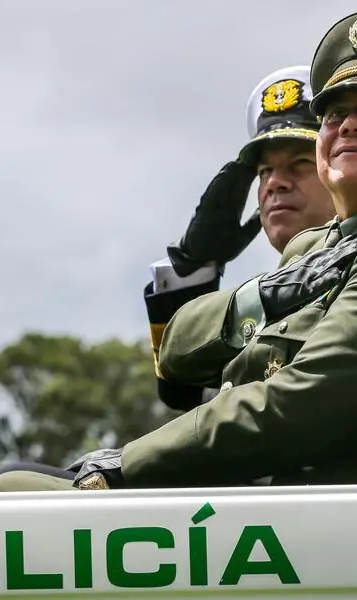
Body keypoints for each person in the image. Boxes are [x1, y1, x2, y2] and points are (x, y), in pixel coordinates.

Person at [0, 8, 357, 493]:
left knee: (5, 493)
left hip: (310, 521)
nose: (350, 125)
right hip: (264, 505)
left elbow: (295, 409)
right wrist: (238, 285)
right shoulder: (316, 249)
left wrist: (123, 466)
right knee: (8, 484)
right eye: (337, 114)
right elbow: (176, 363)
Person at [146, 65, 335, 412]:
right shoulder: (276, 291)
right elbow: (184, 393)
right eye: (265, 172)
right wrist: (194, 268)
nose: (275, 183)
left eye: (300, 164)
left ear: (336, 168)